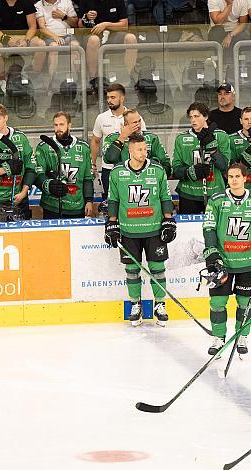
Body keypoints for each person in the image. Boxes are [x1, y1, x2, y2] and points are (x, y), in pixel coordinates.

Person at [104, 132, 176, 327]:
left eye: (145, 149)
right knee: (132, 270)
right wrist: (111, 223)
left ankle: (160, 304)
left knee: (157, 269)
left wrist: (168, 221)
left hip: (154, 229)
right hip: (129, 231)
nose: (144, 153)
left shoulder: (157, 170)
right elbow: (114, 199)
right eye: (139, 149)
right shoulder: (118, 172)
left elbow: (165, 197)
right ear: (130, 150)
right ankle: (136, 305)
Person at [202, 163, 251, 355]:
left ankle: (242, 336)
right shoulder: (216, 200)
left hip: (247, 263)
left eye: (237, 176)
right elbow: (209, 228)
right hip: (223, 263)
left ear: (245, 178)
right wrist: (212, 252)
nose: (234, 180)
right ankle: (218, 338)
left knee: (245, 303)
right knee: (217, 303)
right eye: (230, 177)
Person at [91, 83, 146, 210]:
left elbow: (143, 139)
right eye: (108, 97)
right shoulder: (101, 118)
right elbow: (95, 141)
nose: (109, 100)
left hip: (131, 168)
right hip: (108, 168)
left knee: (130, 204)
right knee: (109, 205)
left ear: (122, 98)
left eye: (113, 97)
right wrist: (93, 164)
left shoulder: (135, 117)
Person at [171, 101, 231, 214]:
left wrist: (212, 149)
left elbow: (224, 166)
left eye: (197, 116)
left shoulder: (221, 136)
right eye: (191, 117)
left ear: (206, 116)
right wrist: (189, 172)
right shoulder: (181, 138)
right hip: (189, 193)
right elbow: (176, 169)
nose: (193, 120)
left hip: (215, 192)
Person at [34, 111, 94, 219]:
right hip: (52, 206)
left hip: (76, 206)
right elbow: (38, 174)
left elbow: (88, 178)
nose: (58, 128)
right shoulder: (44, 146)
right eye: (55, 125)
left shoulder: (84, 147)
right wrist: (50, 185)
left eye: (61, 124)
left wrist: (89, 200)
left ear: (69, 125)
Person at [0, 0, 47, 91]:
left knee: (41, 45)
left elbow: (33, 27)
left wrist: (26, 40)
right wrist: (7, 39)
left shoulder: (27, 3)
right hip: (3, 36)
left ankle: (32, 76)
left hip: (24, 36)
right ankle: (2, 81)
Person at [77, 0, 137, 80]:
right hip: (92, 33)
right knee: (94, 40)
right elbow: (80, 26)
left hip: (113, 34)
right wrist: (87, 18)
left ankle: (130, 77)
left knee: (131, 38)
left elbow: (124, 24)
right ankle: (93, 79)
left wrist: (106, 25)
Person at [102, 109, 170, 176]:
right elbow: (109, 159)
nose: (138, 125)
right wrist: (122, 137)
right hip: (122, 180)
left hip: (147, 181)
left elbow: (166, 164)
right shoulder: (112, 138)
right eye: (135, 122)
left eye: (139, 121)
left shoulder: (151, 138)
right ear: (126, 124)